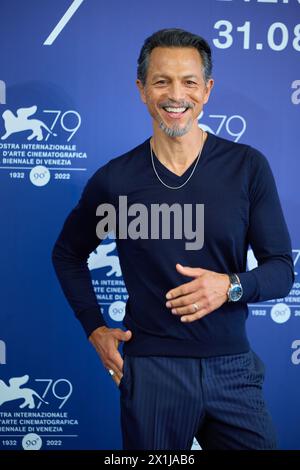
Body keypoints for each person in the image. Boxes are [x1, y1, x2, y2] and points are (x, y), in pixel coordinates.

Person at [52, 28, 294, 450]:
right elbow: (68, 254)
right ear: (142, 90)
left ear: (207, 90)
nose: (175, 95)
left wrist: (230, 285)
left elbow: (281, 270)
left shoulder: (247, 167)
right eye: (161, 81)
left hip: (233, 370)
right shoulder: (116, 180)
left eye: (189, 82)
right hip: (152, 373)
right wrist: (94, 328)